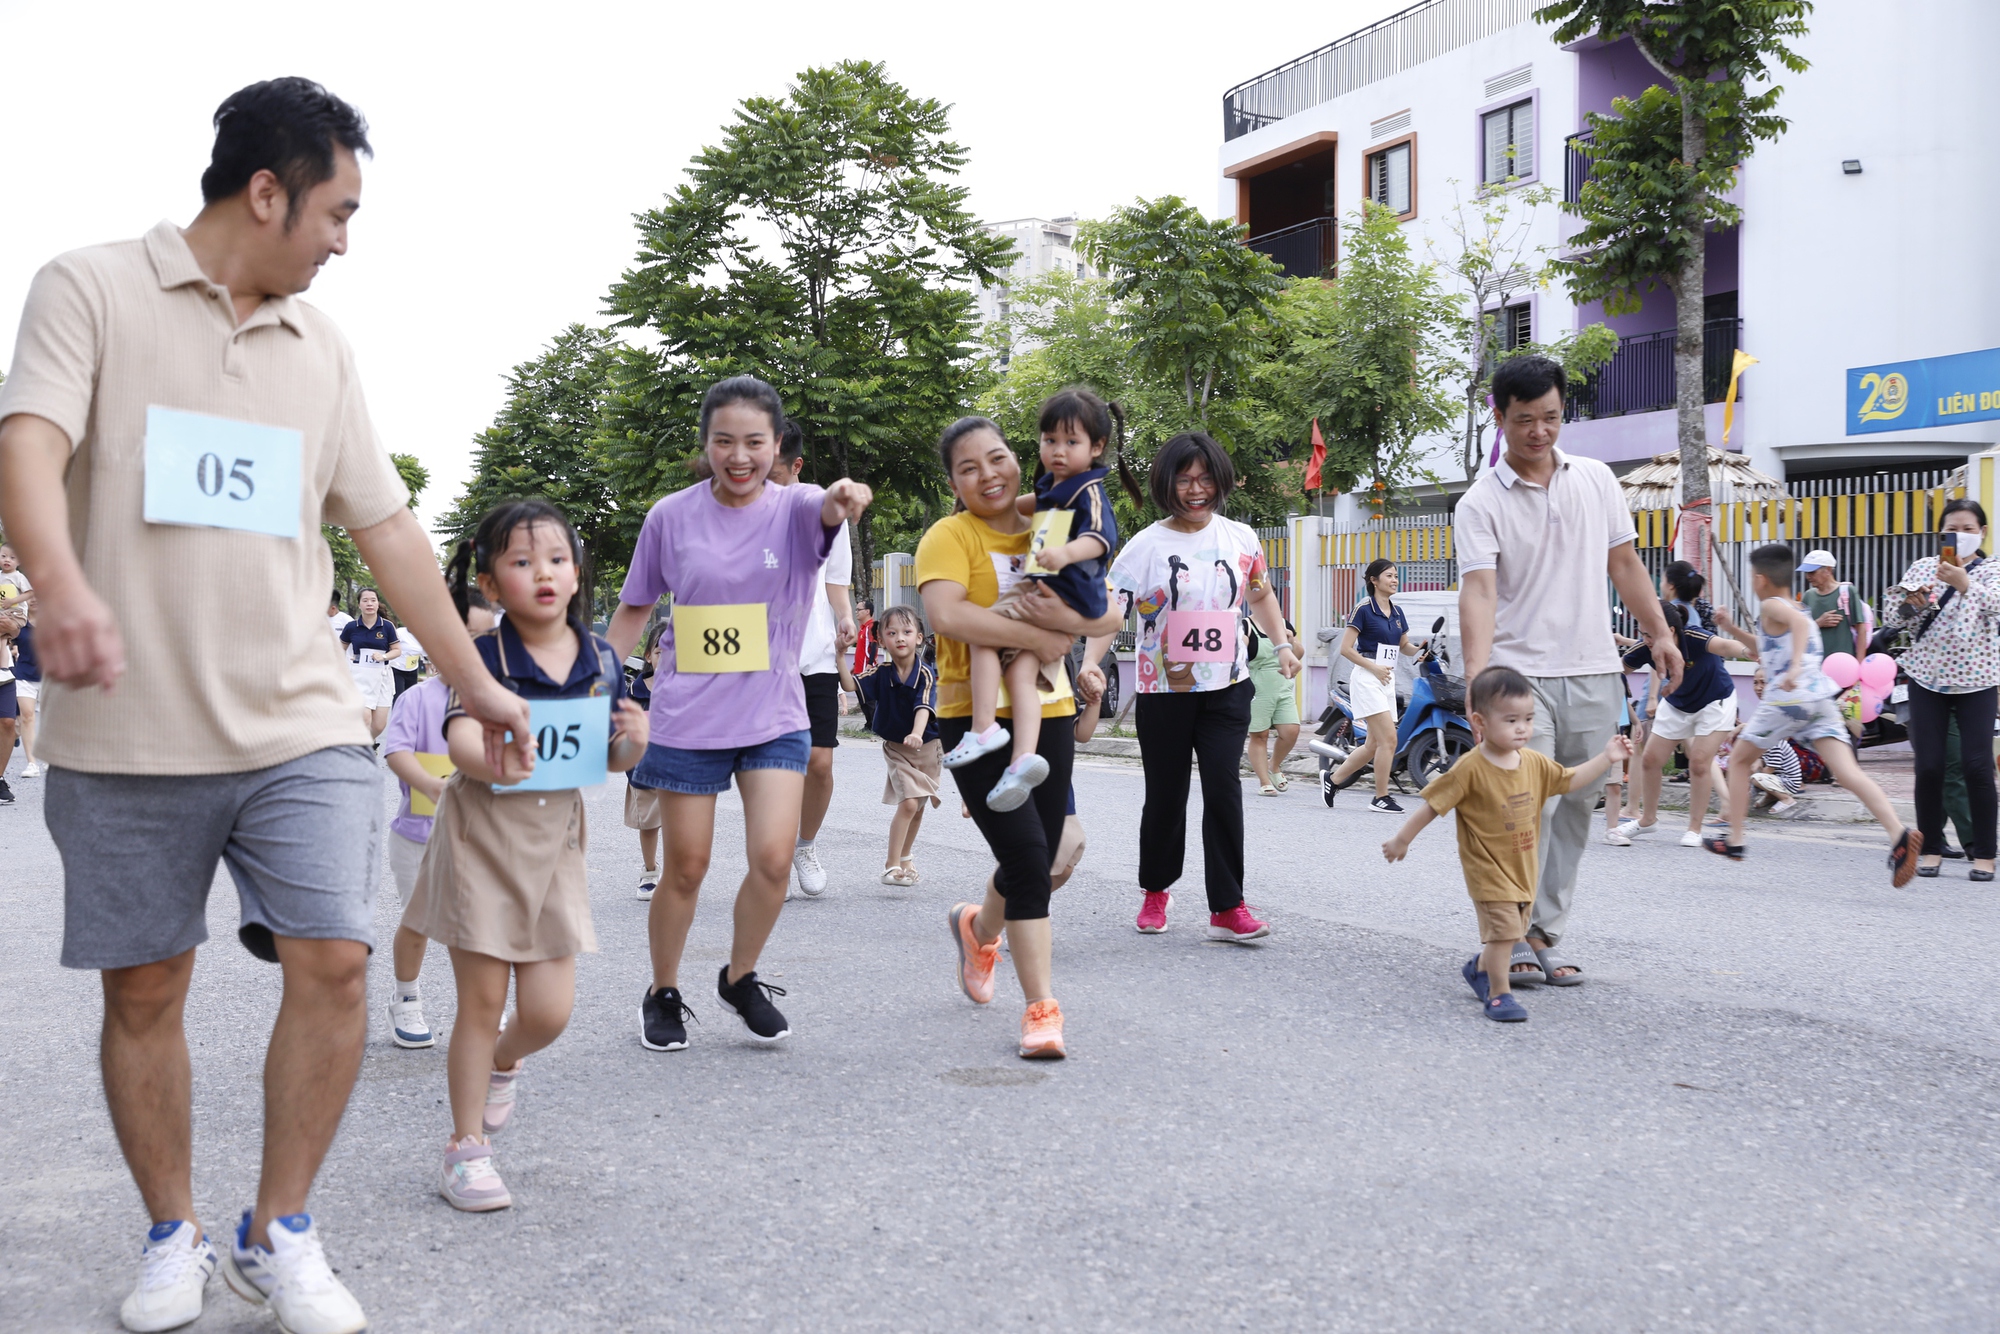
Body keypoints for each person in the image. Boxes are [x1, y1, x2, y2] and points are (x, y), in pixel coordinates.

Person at [0, 77, 530, 1334]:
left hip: (298, 719)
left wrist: (473, 676)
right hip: (126, 730)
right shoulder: (89, 287)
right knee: (144, 989)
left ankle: (278, 1227)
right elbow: (26, 446)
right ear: (267, 191)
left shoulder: (322, 347)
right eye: (337, 210)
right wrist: (58, 585)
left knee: (336, 961)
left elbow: (389, 527)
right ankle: (171, 1231)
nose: (347, 237)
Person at [607, 376, 873, 1054]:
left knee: (774, 858)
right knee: (687, 867)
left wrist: (845, 499)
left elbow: (827, 509)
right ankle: (663, 989)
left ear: (776, 445)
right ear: (706, 445)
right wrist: (600, 679)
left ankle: (740, 974)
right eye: (724, 441)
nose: (740, 455)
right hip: (687, 717)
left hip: (773, 713)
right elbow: (637, 605)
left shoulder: (796, 508)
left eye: (755, 442)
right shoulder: (671, 516)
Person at [403, 500, 646, 1213]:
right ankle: (465, 1148)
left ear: (577, 575)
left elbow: (612, 754)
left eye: (557, 560)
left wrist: (637, 738)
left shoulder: (602, 657)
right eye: (521, 561)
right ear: (489, 584)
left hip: (555, 841)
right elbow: (458, 738)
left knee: (548, 1013)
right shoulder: (483, 657)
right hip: (481, 835)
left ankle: (505, 1060)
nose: (542, 573)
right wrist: (488, 761)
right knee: (481, 1002)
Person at [1456, 355, 1681, 988]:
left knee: (1579, 803)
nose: (1540, 432)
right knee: (1526, 811)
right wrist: (1480, 686)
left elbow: (1626, 565)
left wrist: (1660, 633)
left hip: (1593, 669)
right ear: (1501, 419)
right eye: (1525, 420)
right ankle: (1503, 938)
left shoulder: (1597, 479)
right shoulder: (1480, 502)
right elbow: (1477, 592)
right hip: (1517, 677)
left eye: (1551, 418)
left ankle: (1539, 933)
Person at [918, 416, 1122, 1059]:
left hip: (1051, 710)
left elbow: (1107, 611)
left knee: (1043, 851)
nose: (988, 475)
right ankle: (1042, 1010)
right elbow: (948, 615)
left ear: (1017, 460)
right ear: (953, 481)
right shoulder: (949, 536)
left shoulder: (1051, 522)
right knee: (1032, 859)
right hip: (972, 718)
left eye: (997, 458)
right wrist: (1041, 635)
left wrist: (1060, 626)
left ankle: (979, 928)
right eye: (968, 468)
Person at [1109, 431, 1297, 941]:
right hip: (1163, 690)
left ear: (1221, 481)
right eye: (1185, 480)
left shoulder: (1241, 538)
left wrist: (1281, 645)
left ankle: (1227, 907)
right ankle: (1155, 891)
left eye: (1206, 478)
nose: (1196, 490)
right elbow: (1114, 610)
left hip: (1227, 685)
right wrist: (1092, 660)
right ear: (1166, 484)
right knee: (1166, 795)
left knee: (1223, 789)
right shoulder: (1145, 546)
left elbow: (1260, 596)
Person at [1384, 666, 1631, 1021]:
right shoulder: (1470, 768)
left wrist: (1606, 758)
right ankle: (1499, 994)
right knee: (1503, 937)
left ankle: (1479, 969)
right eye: (1511, 720)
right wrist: (1401, 840)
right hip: (1488, 871)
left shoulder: (1533, 762)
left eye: (1528, 719)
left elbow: (1570, 779)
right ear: (1480, 722)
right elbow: (1432, 807)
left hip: (1523, 870)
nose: (1522, 728)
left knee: (1510, 930)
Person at [941, 388, 1128, 813]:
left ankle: (984, 727)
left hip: (1058, 591)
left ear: (1097, 447)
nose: (1058, 451)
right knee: (1023, 674)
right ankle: (1024, 757)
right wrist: (989, 512)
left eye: (1071, 442)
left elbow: (1100, 539)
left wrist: (1065, 553)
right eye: (1050, 441)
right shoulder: (1056, 486)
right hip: (1052, 592)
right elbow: (1029, 506)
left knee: (983, 634)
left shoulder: (1088, 492)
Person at [1705, 543, 1918, 882]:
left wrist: (1791, 671)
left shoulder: (1773, 605)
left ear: (1760, 579)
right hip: (1820, 699)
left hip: (1788, 699)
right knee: (1848, 773)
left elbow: (1798, 634)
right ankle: (1899, 835)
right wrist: (1731, 629)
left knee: (1741, 761)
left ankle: (1735, 839)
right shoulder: (1799, 607)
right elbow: (1765, 648)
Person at [378, 588, 497, 1049]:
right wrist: (431, 786)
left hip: (479, 837)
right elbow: (397, 752)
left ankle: (481, 1004)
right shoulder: (418, 699)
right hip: (417, 838)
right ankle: (406, 999)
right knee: (420, 919)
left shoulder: (497, 701)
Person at [1879, 499, 1999, 879]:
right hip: (1926, 676)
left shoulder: (1993, 570)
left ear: (1981, 532)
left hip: (1976, 679)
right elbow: (1896, 617)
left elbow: (1996, 607)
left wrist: (1965, 584)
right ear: (1940, 533)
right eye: (1952, 529)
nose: (1960, 535)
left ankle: (1985, 854)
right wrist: (1912, 605)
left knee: (1977, 766)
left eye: (1967, 528)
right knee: (1929, 766)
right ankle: (1930, 848)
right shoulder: (1924, 567)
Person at [770, 420, 856, 897]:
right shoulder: (743, 508)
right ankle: (773, 852)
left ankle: (804, 844)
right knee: (773, 763)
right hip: (763, 657)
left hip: (816, 652)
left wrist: (845, 617)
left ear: (797, 464)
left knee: (818, 762)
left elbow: (835, 579)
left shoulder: (826, 511)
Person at [1615, 600, 1753, 845]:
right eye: (1642, 633)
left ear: (1669, 631)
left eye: (1650, 634)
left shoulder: (1693, 637)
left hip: (1714, 702)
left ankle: (1694, 829)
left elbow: (1725, 645)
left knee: (1699, 761)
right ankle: (1648, 820)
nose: (1645, 639)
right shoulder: (1644, 647)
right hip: (1677, 703)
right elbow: (1616, 671)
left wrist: (1746, 651)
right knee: (1650, 759)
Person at [841, 604, 942, 885]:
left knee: (918, 807)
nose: (900, 637)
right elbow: (850, 685)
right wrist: (839, 655)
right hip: (898, 749)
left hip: (929, 749)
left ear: (919, 638)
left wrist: (918, 733)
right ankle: (891, 864)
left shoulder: (925, 673)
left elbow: (924, 706)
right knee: (909, 804)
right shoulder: (881, 673)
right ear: (882, 639)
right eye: (892, 632)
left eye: (907, 632)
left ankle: (906, 855)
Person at [1324, 559, 1421, 813]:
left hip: (1386, 679)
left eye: (1396, 576)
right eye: (1388, 576)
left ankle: (1332, 780)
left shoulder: (1397, 612)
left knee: (1372, 745)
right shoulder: (1364, 609)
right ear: (1373, 580)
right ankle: (1380, 797)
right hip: (1367, 678)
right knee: (1390, 739)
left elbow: (1404, 646)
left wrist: (1420, 651)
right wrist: (1373, 667)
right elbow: (1346, 649)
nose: (1394, 580)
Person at [626, 624, 665, 900]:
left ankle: (678, 872)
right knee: (649, 826)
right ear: (649, 655)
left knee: (681, 825)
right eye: (662, 651)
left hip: (679, 771)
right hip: (643, 771)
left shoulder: (688, 692)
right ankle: (650, 871)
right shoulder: (634, 693)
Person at [1245, 613, 1301, 796]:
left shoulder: (1283, 624)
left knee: (1291, 731)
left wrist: (1291, 640)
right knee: (1260, 735)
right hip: (1258, 686)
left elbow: (1298, 654)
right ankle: (1264, 781)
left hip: (1283, 685)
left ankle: (1274, 765)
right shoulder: (1246, 625)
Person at [339, 586, 400, 738]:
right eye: (365, 600)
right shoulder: (351, 627)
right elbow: (339, 650)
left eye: (373, 600)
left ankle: (368, 743)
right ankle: (360, 750)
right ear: (359, 604)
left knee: (379, 725)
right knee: (365, 717)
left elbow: (397, 650)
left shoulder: (387, 626)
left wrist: (384, 657)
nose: (369, 604)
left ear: (378, 604)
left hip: (382, 677)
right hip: (360, 676)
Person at [1799, 549, 1871, 661]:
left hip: (1844, 663)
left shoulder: (1848, 591)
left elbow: (1861, 629)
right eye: (1806, 573)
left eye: (1812, 572)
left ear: (1828, 570)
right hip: (1815, 664)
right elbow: (1800, 631)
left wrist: (1859, 664)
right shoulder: (1809, 596)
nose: (1808, 576)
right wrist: (1818, 623)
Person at [8, 592, 40, 779]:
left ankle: (52, 759)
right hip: (25, 676)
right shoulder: (19, 623)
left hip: (51, 678)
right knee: (27, 717)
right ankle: (32, 763)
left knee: (51, 720)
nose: (34, 599)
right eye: (29, 595)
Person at [390, 621, 424, 700]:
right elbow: (391, 646)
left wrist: (435, 666)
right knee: (399, 697)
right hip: (397, 669)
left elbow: (427, 653)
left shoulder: (422, 636)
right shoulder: (400, 632)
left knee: (411, 699)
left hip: (412, 670)